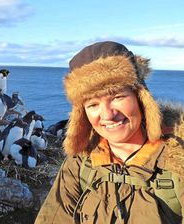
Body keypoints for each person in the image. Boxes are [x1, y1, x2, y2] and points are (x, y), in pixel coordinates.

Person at [35, 41, 184, 224]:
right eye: (93, 104)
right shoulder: (81, 163)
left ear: (140, 97)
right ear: (82, 114)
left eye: (117, 97)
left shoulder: (178, 159)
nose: (107, 115)